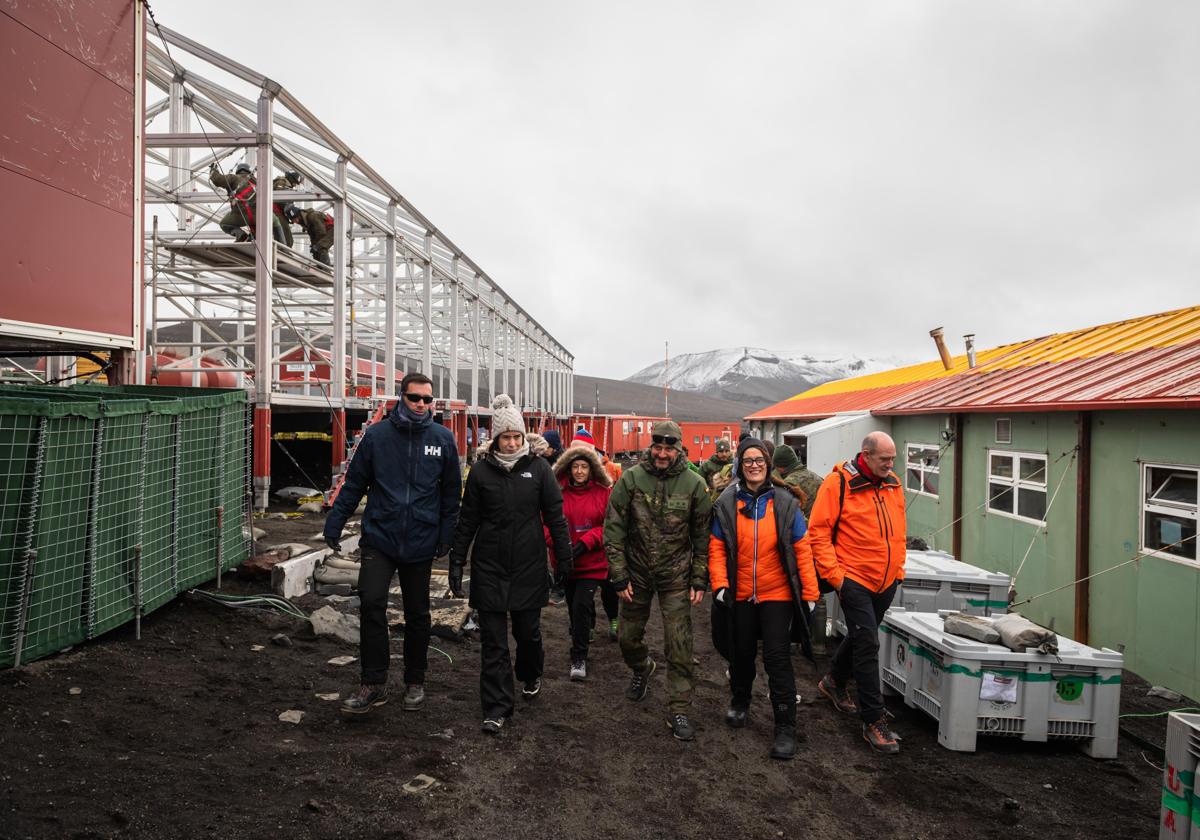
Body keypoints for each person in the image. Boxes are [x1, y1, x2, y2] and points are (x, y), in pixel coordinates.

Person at [323, 372, 461, 716]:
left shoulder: (442, 440)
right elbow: (354, 483)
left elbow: (450, 495)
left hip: (420, 540)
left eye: (428, 400)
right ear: (402, 397)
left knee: (418, 613)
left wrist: (447, 536)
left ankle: (415, 680)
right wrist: (335, 521)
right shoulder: (377, 437)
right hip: (380, 539)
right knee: (371, 603)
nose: (421, 405)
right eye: (415, 398)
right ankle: (373, 682)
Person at [449, 395, 572, 735]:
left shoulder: (539, 469)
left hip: (528, 566)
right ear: (496, 438)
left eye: (517, 436)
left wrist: (564, 559)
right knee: (493, 643)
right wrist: (457, 561)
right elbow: (468, 519)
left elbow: (556, 518)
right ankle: (496, 707)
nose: (513, 442)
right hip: (489, 566)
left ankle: (531, 673)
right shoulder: (481, 473)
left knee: (527, 634)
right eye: (507, 437)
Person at [708, 438, 818, 760]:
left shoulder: (785, 503)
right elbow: (716, 548)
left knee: (777, 658)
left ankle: (785, 726)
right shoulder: (727, 502)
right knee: (740, 654)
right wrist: (720, 585)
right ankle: (740, 702)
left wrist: (810, 593)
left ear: (768, 464)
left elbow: (802, 549)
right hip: (740, 592)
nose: (754, 465)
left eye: (759, 460)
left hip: (777, 593)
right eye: (748, 460)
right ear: (740, 465)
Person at [604, 420, 712, 741]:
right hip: (635, 573)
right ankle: (642, 668)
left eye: (669, 448)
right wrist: (619, 573)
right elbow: (613, 529)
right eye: (658, 447)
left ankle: (678, 708)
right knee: (626, 638)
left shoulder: (695, 485)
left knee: (679, 644)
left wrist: (698, 578)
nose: (662, 454)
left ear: (679, 449)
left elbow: (703, 538)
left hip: (675, 576)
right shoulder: (631, 479)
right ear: (652, 446)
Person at [808, 431, 907, 754]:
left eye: (893, 459)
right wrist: (837, 578)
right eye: (884, 459)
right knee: (868, 643)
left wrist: (899, 569)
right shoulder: (838, 485)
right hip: (854, 580)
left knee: (862, 635)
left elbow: (900, 529)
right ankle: (873, 720)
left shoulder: (893, 484)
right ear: (865, 454)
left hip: (886, 580)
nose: (890, 465)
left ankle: (834, 682)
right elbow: (818, 533)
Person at [547, 442, 613, 680]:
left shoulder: (603, 493)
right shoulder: (556, 493)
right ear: (568, 468)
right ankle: (578, 638)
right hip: (565, 561)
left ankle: (579, 657)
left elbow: (609, 525)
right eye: (575, 466)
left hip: (592, 561)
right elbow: (545, 522)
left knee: (582, 607)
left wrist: (586, 541)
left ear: (592, 468)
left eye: (584, 466)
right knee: (574, 610)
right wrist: (558, 544)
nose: (579, 472)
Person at [208, 162, 286, 244]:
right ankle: (282, 246)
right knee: (275, 221)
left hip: (241, 215)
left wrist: (213, 170)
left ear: (238, 171)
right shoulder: (258, 182)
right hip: (259, 215)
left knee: (224, 223)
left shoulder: (234, 178)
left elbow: (218, 180)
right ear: (249, 172)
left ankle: (241, 235)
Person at [771, 444, 823, 520]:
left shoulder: (788, 484)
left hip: (807, 529)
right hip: (825, 526)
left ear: (780, 467)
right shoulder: (815, 476)